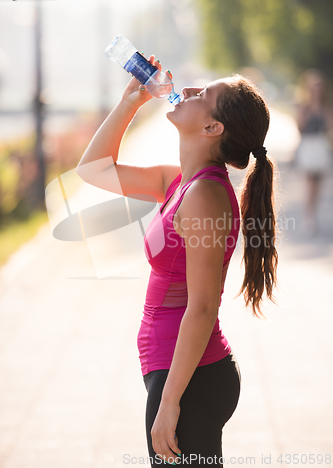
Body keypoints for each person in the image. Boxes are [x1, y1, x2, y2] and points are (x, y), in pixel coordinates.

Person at [76, 57, 279, 467]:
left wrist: (170, 402)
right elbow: (93, 170)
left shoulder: (205, 195)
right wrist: (129, 104)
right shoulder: (179, 182)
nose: (186, 90)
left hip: (190, 382)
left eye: (202, 94)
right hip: (178, 375)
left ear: (212, 128)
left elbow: (203, 307)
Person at [294, 69, 333, 235]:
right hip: (308, 147)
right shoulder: (304, 106)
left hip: (321, 146)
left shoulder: (325, 106)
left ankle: (313, 214)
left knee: (318, 184)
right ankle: (309, 216)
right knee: (310, 183)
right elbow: (299, 127)